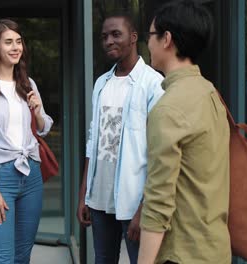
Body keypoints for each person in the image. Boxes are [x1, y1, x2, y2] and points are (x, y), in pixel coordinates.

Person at [138, 1, 231, 263]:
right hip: (216, 249)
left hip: (182, 254)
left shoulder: (168, 108)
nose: (149, 44)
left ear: (166, 39)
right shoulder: (210, 93)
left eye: (151, 36)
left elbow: (158, 202)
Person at [76, 11, 164, 264]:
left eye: (116, 34)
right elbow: (93, 142)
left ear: (133, 37)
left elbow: (160, 152)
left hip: (133, 199)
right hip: (99, 199)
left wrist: (144, 207)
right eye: (104, 37)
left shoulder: (153, 84)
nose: (109, 41)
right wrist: (84, 194)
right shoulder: (101, 83)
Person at [0, 19, 53, 264]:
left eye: (18, 42)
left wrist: (36, 111)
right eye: (8, 42)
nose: (15, 47)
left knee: (23, 256)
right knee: (4, 258)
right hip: (1, 177)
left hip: (32, 175)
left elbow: (44, 127)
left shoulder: (28, 84)